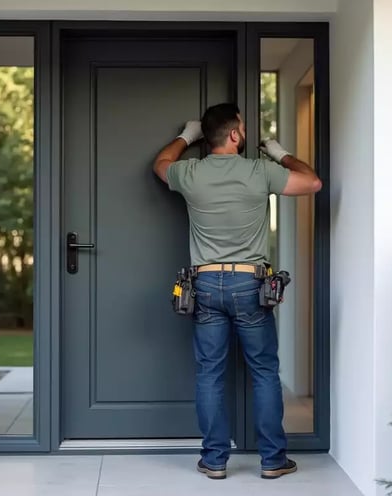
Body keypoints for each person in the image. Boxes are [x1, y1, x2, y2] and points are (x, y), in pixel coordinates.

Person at [153, 103, 322, 480]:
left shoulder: (190, 172)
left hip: (206, 284)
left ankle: (214, 460)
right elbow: (312, 182)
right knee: (263, 371)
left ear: (206, 135)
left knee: (209, 374)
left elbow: (160, 164)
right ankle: (273, 460)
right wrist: (279, 152)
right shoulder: (261, 170)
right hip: (251, 283)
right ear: (234, 135)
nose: (243, 133)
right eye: (241, 128)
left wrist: (185, 135)